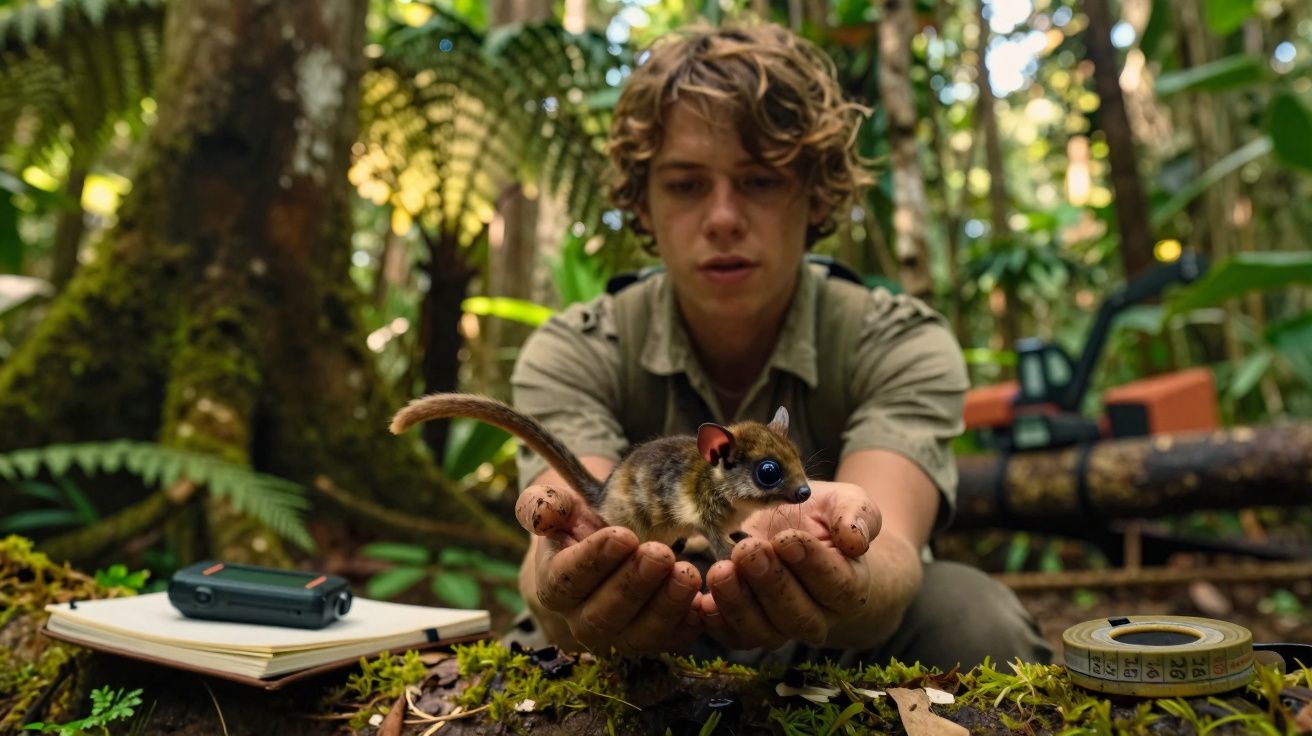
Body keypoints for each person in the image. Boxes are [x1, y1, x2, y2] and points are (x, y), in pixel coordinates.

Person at [504, 20, 1051, 670]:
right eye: (685, 184)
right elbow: (569, 525)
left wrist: (849, 566)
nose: (724, 217)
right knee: (536, 644)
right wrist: (562, 567)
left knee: (974, 620)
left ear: (814, 194)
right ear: (643, 205)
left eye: (761, 181)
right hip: (633, 640)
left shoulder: (897, 340)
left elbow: (892, 547)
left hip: (837, 644)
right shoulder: (576, 348)